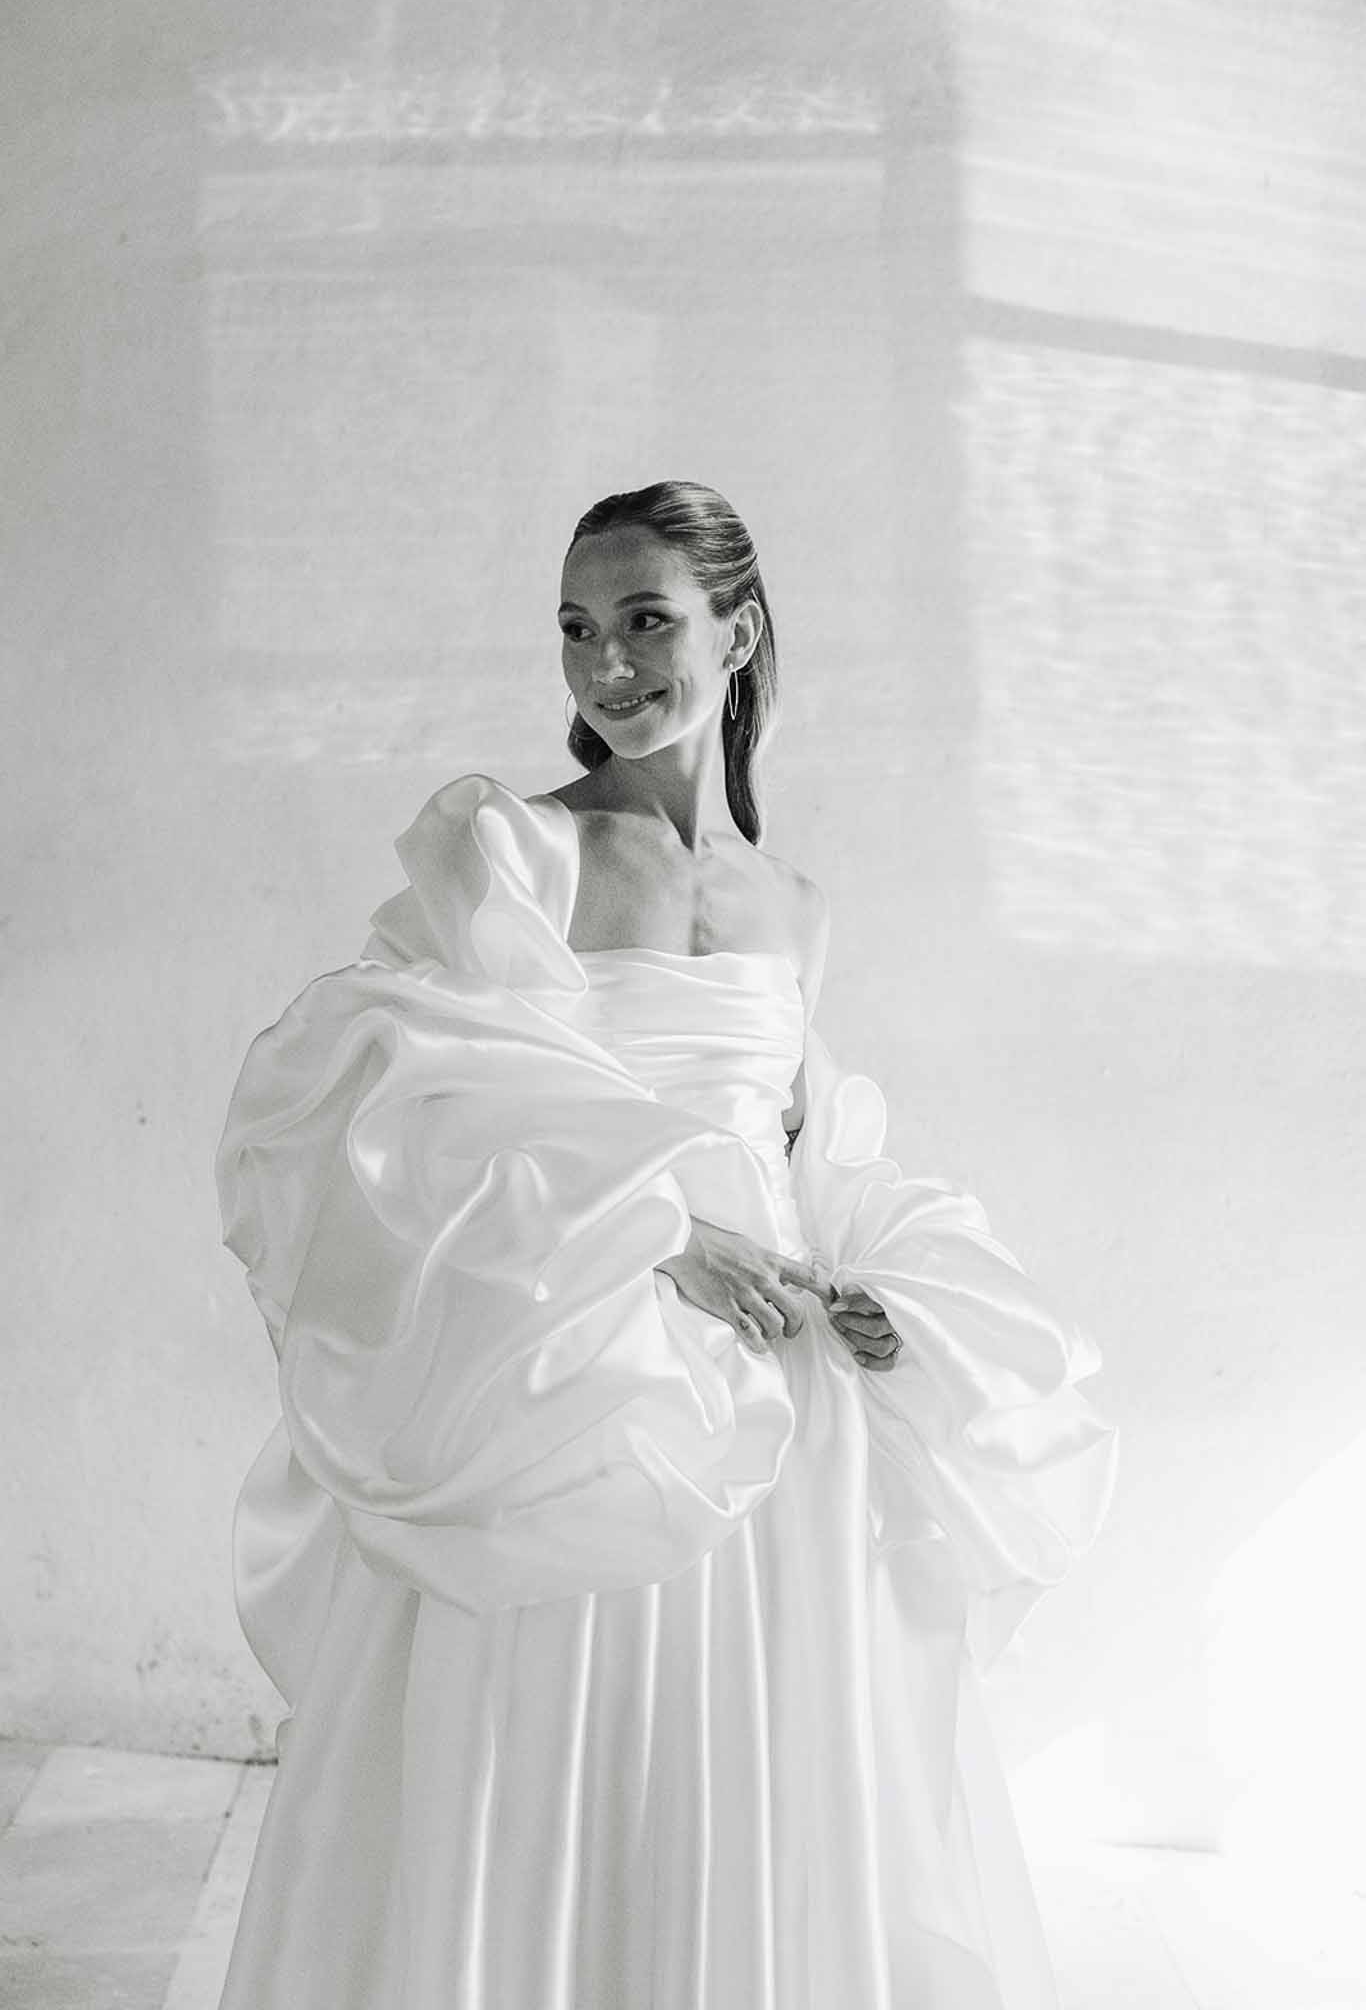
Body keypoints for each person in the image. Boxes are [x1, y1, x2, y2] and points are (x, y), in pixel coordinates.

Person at [214, 479, 1117, 2010]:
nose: (606, 668)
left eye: (647, 622)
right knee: (555, 1740)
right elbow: (386, 1108)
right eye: (576, 631)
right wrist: (651, 1233)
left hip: (783, 1400)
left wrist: (866, 1287)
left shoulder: (794, 906)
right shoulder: (525, 853)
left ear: (738, 631)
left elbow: (795, 1138)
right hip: (583, 1369)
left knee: (765, 1760)